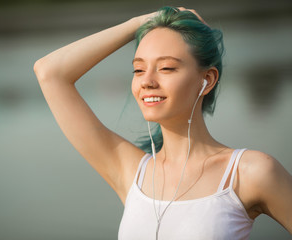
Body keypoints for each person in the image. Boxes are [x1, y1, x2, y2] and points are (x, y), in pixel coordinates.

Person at [33, 6, 292, 239]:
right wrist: (142, 21)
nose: (147, 81)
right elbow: (49, 72)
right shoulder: (131, 171)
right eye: (138, 69)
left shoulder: (249, 172)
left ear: (208, 80)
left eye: (166, 68)